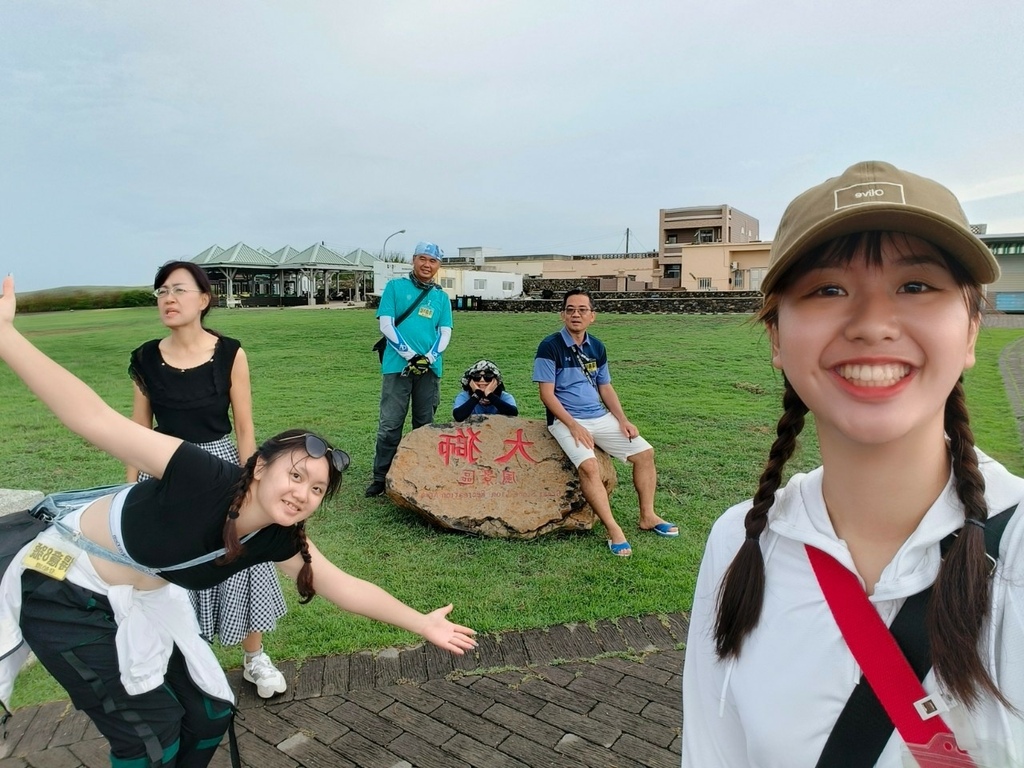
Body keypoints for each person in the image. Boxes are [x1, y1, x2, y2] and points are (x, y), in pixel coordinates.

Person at [0, 274, 476, 768]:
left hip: (139, 596)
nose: (302, 494)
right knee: (151, 734)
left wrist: (421, 623)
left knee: (208, 713)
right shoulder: (198, 472)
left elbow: (343, 586)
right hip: (61, 586)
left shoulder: (276, 535)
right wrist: (7, 336)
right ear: (260, 466)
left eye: (316, 490)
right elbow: (91, 417)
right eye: (296, 476)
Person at [681, 161, 1024, 766]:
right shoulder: (739, 543)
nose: (871, 325)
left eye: (917, 286)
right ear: (777, 340)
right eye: (827, 289)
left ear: (972, 330)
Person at [126, 260, 289, 699]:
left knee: (240, 557)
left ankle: (255, 657)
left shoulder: (231, 352)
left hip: (219, 467)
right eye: (161, 291)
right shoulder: (144, 357)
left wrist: (248, 483)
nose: (168, 299)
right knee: (169, 567)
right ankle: (189, 663)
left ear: (204, 299)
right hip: (163, 469)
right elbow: (138, 432)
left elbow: (244, 429)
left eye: (178, 290)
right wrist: (131, 487)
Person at [532, 289, 677, 557]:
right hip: (566, 419)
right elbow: (546, 394)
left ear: (592, 316)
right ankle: (613, 529)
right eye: (571, 309)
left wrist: (622, 420)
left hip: (599, 417)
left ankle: (648, 516)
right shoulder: (549, 346)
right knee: (589, 467)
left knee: (645, 454)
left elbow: (605, 386)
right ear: (562, 314)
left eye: (582, 310)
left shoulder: (597, 347)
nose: (576, 314)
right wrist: (573, 426)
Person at [366, 241, 453, 497]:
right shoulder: (395, 287)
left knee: (424, 424)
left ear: (438, 265)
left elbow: (445, 331)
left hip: (429, 369)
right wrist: (409, 355)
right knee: (391, 424)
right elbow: (386, 325)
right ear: (414, 260)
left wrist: (429, 356)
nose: (427, 265)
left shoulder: (441, 297)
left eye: (433, 261)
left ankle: (418, 474)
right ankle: (381, 477)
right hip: (396, 367)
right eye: (423, 259)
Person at [452, 359, 519, 421]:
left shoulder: (505, 396)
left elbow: (513, 414)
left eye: (488, 377)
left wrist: (490, 394)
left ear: (496, 380)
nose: (482, 380)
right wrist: (477, 394)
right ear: (470, 381)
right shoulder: (464, 396)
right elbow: (458, 416)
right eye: (477, 377)